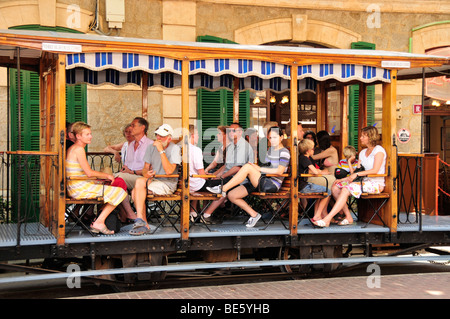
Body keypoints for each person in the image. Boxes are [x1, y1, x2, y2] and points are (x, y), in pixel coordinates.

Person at [207, 126, 290, 228]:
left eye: (275, 137)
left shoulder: (284, 152)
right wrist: (257, 168)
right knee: (232, 195)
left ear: (281, 137)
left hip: (271, 184)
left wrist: (259, 169)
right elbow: (267, 167)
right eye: (270, 138)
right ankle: (254, 215)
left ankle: (222, 189)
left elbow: (279, 171)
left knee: (247, 167)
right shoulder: (270, 151)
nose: (272, 140)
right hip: (262, 180)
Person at [313, 126, 387, 227]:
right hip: (362, 182)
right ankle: (348, 216)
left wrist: (356, 174)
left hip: (375, 184)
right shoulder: (362, 152)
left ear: (370, 137)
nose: (360, 138)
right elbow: (357, 171)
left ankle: (327, 219)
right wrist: (342, 179)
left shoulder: (379, 150)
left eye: (363, 136)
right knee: (335, 187)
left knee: (346, 189)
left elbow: (375, 170)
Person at [66, 121, 127, 235]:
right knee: (120, 192)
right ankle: (99, 222)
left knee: (111, 189)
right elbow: (89, 172)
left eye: (90, 133)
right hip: (78, 188)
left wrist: (97, 180)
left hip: (75, 186)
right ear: (78, 136)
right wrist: (107, 175)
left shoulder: (74, 148)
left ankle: (99, 221)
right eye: (87, 134)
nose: (91, 136)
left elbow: (82, 173)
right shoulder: (78, 149)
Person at [129, 124, 182, 235]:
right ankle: (141, 220)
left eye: (162, 136)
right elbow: (144, 169)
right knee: (139, 181)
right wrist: (146, 173)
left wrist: (161, 151)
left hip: (167, 183)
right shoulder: (150, 147)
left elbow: (169, 171)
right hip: (153, 181)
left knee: (135, 192)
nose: (158, 138)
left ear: (169, 138)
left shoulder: (175, 149)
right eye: (157, 135)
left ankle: (143, 223)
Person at [201, 122, 254, 223]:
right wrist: (215, 175)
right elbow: (226, 166)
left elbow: (237, 168)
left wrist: (221, 177)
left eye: (233, 130)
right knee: (207, 183)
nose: (230, 133)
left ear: (240, 132)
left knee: (219, 187)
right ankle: (206, 213)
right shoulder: (231, 146)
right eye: (230, 130)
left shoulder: (243, 146)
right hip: (230, 177)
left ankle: (206, 215)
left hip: (240, 180)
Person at [297, 138, 332, 223]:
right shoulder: (305, 159)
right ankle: (318, 215)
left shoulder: (300, 157)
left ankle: (318, 215)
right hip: (303, 186)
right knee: (328, 191)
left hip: (301, 185)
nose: (314, 150)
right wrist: (324, 172)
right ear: (308, 151)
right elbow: (315, 171)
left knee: (320, 193)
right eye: (313, 148)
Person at [115, 117, 153, 190]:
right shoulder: (131, 145)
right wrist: (124, 169)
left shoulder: (151, 145)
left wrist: (132, 172)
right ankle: (126, 202)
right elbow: (126, 165)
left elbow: (151, 170)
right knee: (117, 181)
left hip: (143, 178)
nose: (131, 128)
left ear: (142, 128)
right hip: (129, 177)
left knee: (116, 178)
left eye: (133, 125)